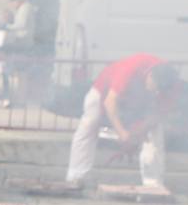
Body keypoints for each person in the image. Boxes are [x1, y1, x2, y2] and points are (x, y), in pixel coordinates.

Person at [66, 53, 180, 190]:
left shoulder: (172, 84)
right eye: (155, 87)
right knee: (89, 122)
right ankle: (77, 176)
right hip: (104, 90)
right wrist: (122, 133)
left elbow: (158, 114)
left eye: (160, 90)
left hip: (137, 100)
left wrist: (139, 132)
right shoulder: (131, 66)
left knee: (155, 134)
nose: (157, 92)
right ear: (150, 75)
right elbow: (110, 101)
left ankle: (153, 184)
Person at [0, 0, 37, 107]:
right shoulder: (25, 9)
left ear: (19, 1)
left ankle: (18, 100)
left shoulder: (25, 9)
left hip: (22, 44)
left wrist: (7, 27)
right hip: (22, 44)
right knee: (19, 74)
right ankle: (18, 99)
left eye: (13, 2)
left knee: (18, 74)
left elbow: (21, 25)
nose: (12, 4)